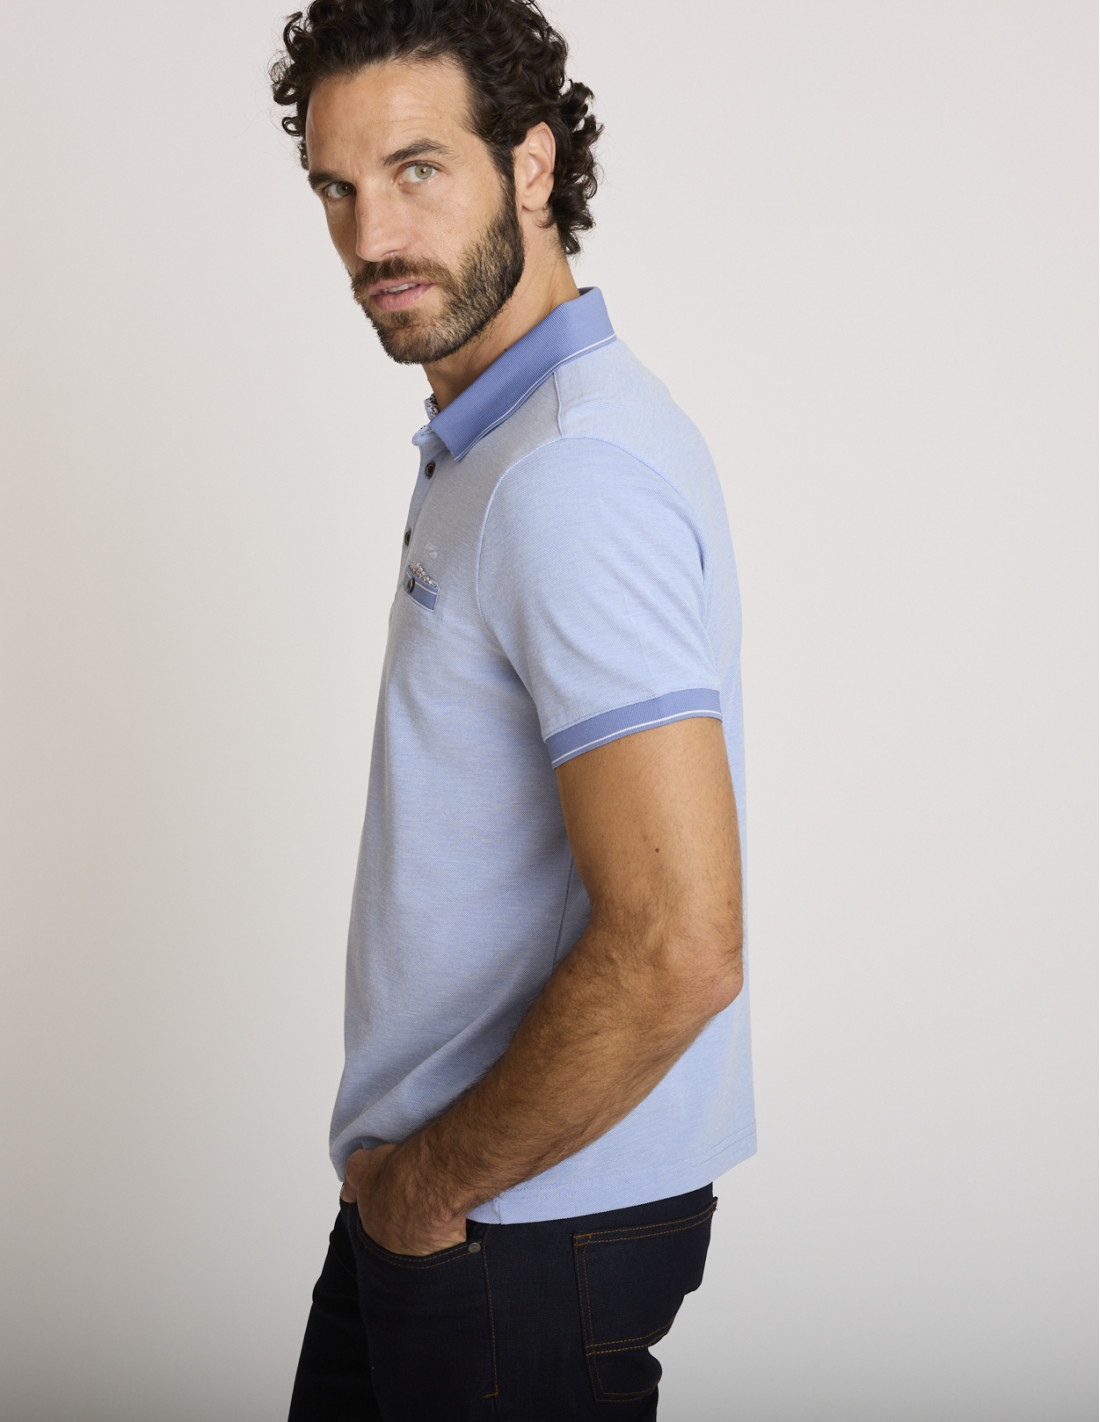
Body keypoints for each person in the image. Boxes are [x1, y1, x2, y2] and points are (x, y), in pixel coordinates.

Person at [270, 2, 755, 1416]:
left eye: (417, 169)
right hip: (475, 1201)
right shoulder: (502, 442)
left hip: (510, 1221)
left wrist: (425, 1193)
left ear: (532, 167)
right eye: (337, 188)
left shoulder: (567, 476)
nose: (371, 237)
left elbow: (681, 942)